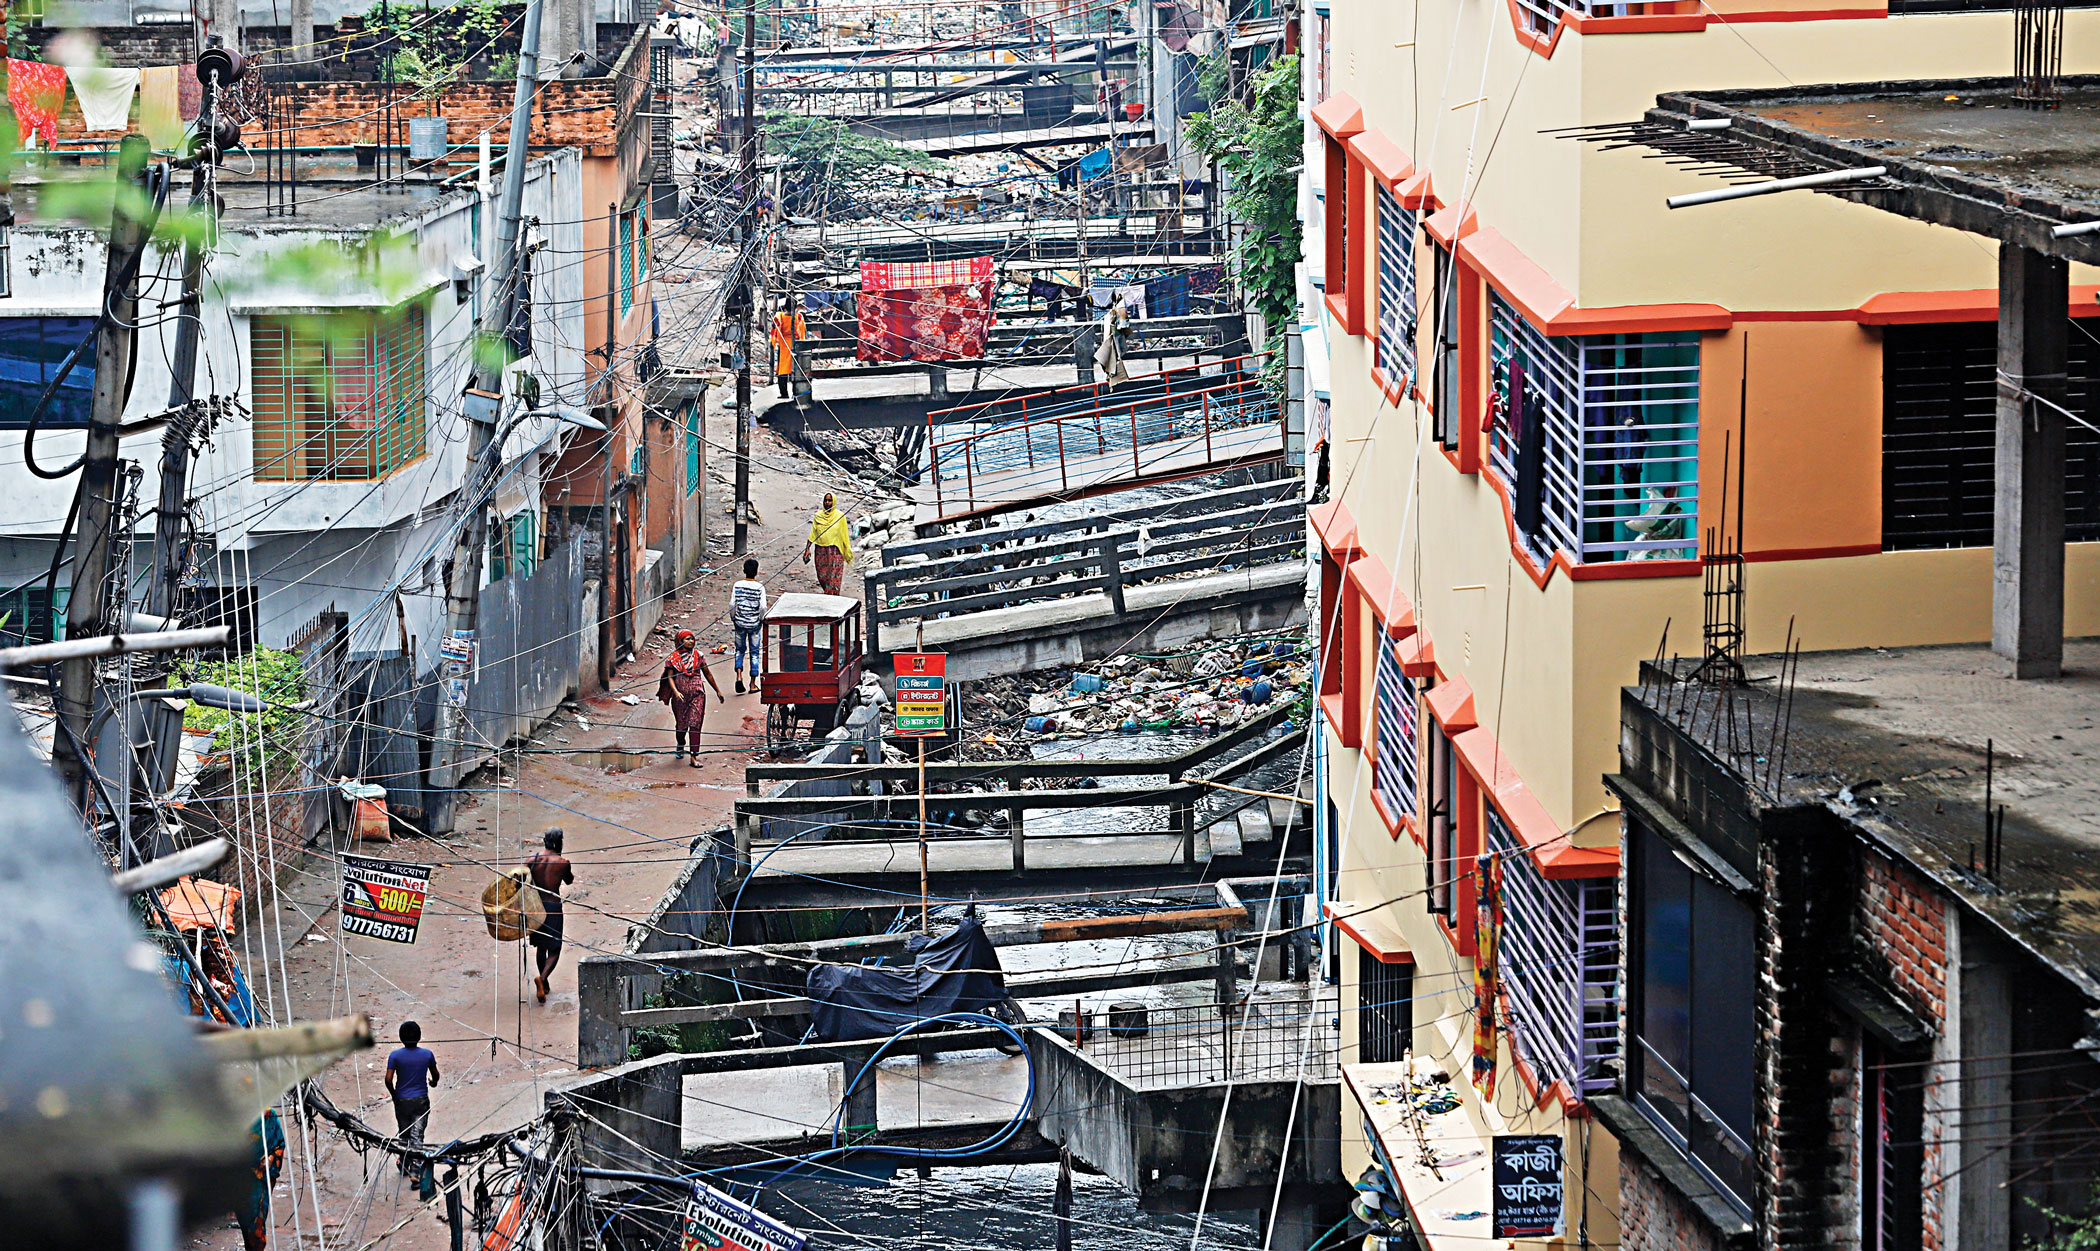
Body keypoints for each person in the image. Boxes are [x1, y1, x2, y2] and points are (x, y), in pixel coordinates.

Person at [659, 628, 726, 763]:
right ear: (679, 642)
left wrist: (717, 690)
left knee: (695, 724)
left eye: (692, 638)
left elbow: (708, 674)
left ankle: (694, 756)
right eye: (687, 639)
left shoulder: (699, 656)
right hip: (680, 697)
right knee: (681, 725)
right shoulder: (673, 659)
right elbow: (670, 677)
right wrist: (676, 692)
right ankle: (680, 744)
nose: (691, 641)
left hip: (697, 694)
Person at [526, 829, 577, 1003]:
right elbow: (569, 881)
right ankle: (542, 978)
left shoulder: (531, 860)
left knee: (541, 946)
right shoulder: (563, 862)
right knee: (554, 948)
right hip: (553, 907)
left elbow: (519, 882)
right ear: (560, 841)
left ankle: (544, 984)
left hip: (536, 906)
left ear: (544, 840)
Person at [385, 1022, 439, 1173]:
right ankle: (416, 1171)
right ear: (419, 1037)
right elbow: (436, 1074)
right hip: (421, 1100)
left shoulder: (394, 1056)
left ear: (401, 1037)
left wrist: (394, 1095)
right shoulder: (427, 1054)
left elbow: (388, 1080)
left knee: (404, 1134)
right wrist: (433, 1083)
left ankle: (403, 1165)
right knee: (417, 1135)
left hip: (402, 1101)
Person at [803, 492, 853, 596]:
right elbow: (813, 533)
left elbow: (844, 535)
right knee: (822, 576)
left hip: (835, 551)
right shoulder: (818, 516)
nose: (827, 503)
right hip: (821, 551)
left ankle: (832, 596)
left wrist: (846, 550)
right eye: (826, 500)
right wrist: (807, 548)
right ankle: (828, 593)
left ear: (833, 502)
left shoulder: (840, 517)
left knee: (833, 577)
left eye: (830, 500)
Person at [731, 557, 767, 695]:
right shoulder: (760, 588)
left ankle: (739, 676)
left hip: (739, 622)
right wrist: (761, 620)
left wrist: (734, 618)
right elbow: (763, 607)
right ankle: (752, 684)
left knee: (739, 650)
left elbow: (732, 605)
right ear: (756, 572)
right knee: (754, 653)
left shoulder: (737, 585)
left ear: (744, 570)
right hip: (754, 624)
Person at [770, 299, 807, 400]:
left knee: (782, 371)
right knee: (796, 370)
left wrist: (772, 345)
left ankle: (784, 394)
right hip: (795, 346)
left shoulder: (779, 316)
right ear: (795, 307)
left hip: (784, 345)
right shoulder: (798, 317)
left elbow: (773, 332)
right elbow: (802, 333)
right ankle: (796, 393)